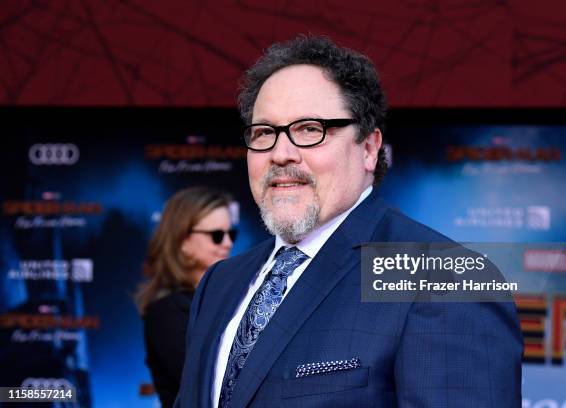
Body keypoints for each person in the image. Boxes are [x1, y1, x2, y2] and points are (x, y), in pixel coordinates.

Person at [175, 36, 523, 407]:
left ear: (369, 148)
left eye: (310, 129)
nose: (280, 153)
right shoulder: (220, 284)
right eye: (264, 133)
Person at [136, 186, 236, 408]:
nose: (228, 243)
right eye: (217, 236)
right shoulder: (165, 312)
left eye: (231, 234)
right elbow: (208, 384)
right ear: (183, 241)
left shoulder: (230, 299)